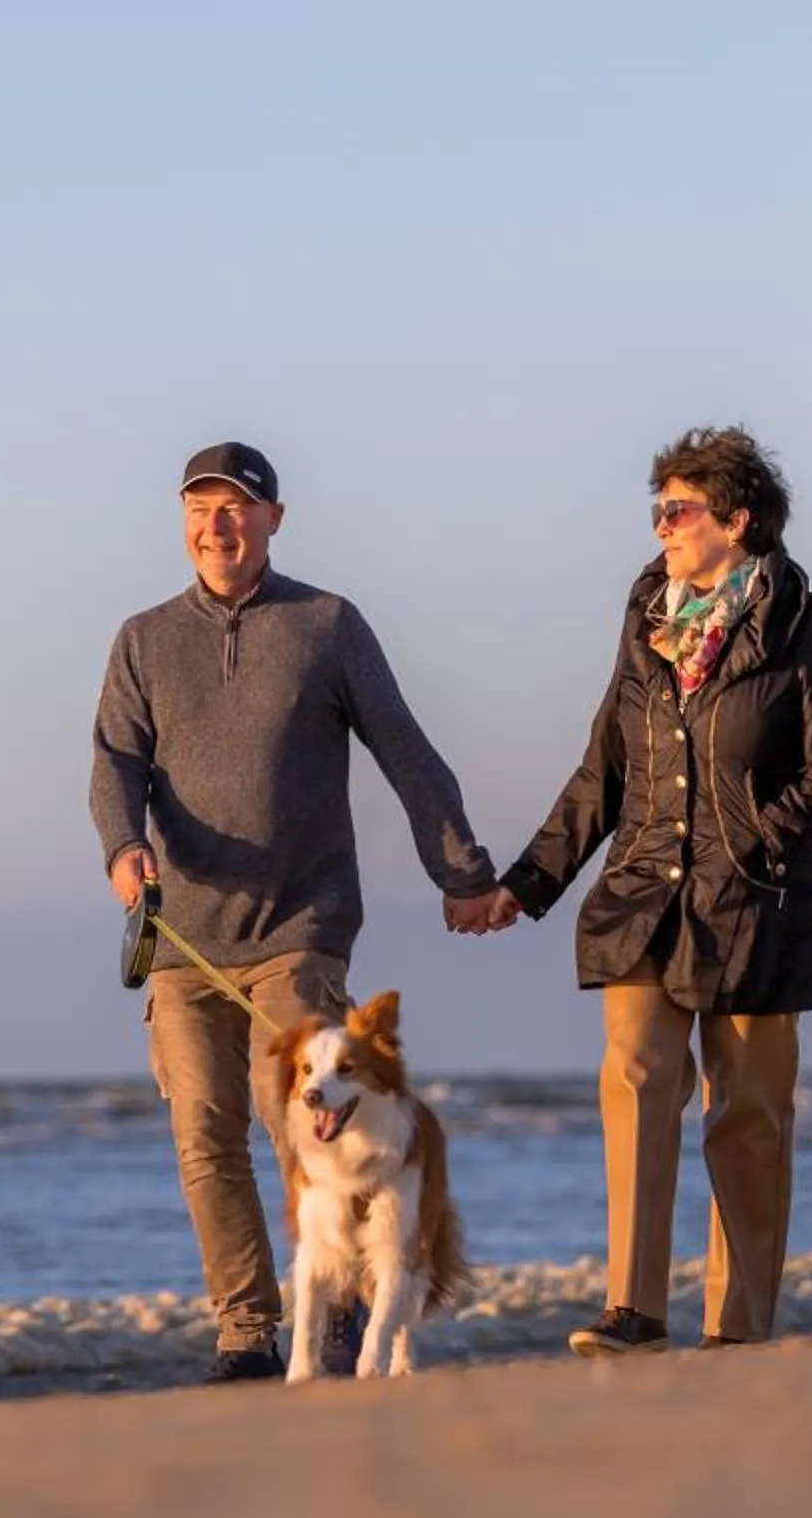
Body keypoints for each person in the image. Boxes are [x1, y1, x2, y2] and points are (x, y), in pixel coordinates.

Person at [92, 441, 508, 1382]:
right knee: (205, 1133)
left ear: (274, 519)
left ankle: (348, 1306)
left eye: (237, 507)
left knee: (310, 1123)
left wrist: (463, 873)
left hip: (299, 930)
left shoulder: (326, 626)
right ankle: (247, 1329)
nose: (218, 525)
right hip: (182, 938)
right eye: (201, 508)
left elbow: (404, 748)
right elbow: (114, 760)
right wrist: (124, 848)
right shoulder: (143, 639)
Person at [466, 426, 812, 1352]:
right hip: (643, 896)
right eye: (655, 512)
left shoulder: (809, 622)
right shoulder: (647, 615)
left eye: (677, 511)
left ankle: (738, 1328)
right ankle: (635, 1311)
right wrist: (526, 886)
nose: (660, 530)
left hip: (759, 907)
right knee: (637, 1081)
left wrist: (761, 840)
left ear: (737, 520)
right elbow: (605, 767)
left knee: (750, 1121)